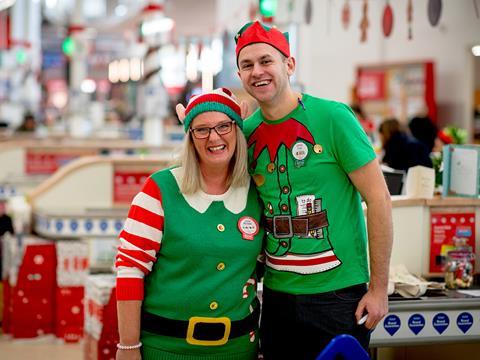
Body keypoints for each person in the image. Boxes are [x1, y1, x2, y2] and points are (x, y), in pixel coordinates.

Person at [234, 21, 393, 359]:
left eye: (266, 61)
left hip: (338, 297)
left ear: (289, 65)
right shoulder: (245, 134)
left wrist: (379, 289)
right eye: (247, 65)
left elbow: (378, 199)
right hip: (277, 297)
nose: (257, 72)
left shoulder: (333, 118)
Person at [115, 88, 264, 360]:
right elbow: (130, 270)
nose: (214, 137)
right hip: (166, 348)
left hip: (239, 348)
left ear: (237, 129)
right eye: (202, 129)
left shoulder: (257, 192)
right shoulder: (159, 189)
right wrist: (128, 345)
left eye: (224, 126)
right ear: (190, 138)